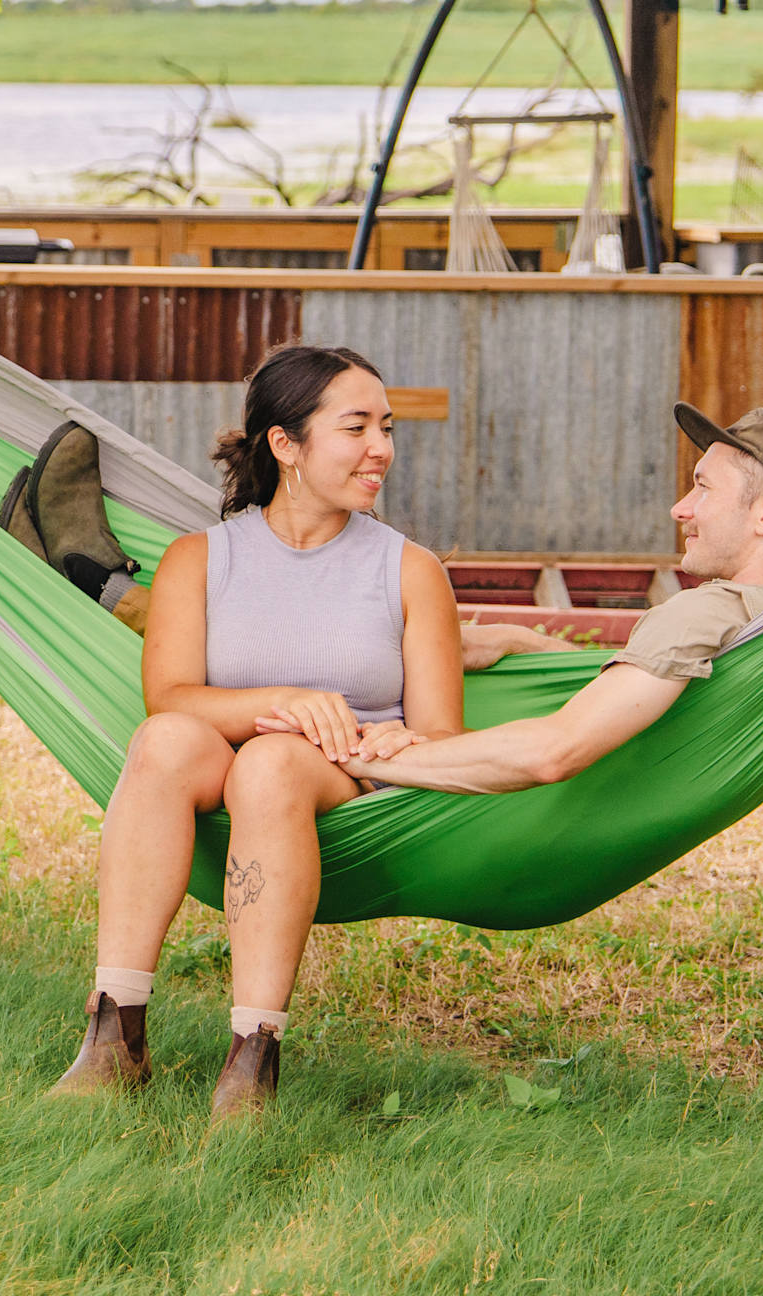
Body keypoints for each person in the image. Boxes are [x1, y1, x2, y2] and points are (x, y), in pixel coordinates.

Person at [52, 344, 465, 1116]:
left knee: (272, 763)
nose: (382, 449)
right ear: (286, 445)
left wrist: (401, 741)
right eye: (357, 428)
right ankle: (114, 1033)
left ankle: (253, 1058)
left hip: (340, 775)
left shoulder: (409, 570)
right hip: (217, 759)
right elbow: (169, 698)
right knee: (164, 742)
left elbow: (441, 732)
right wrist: (287, 695)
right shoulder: (200, 560)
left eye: (387, 428)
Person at [342, 402, 763, 800]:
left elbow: (554, 753)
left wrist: (371, 758)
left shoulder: (703, 612)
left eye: (703, 488)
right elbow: (655, 694)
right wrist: (523, 642)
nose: (681, 508)